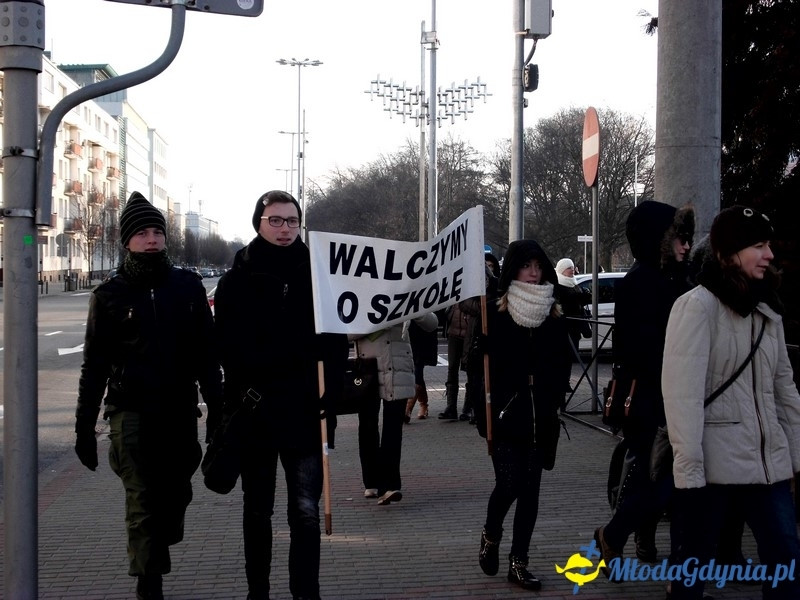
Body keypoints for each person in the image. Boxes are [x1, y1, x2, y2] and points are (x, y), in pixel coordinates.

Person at [74, 191, 223, 600]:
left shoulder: (187, 287)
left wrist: (218, 411)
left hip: (178, 409)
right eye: (143, 233)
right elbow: (94, 366)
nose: (152, 239)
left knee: (176, 492)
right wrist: (84, 426)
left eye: (157, 231)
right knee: (141, 497)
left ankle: (158, 543)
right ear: (127, 241)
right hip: (130, 412)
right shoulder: (109, 295)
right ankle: (148, 580)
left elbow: (207, 356)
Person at [213, 190, 348, 600]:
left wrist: (333, 393)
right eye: (276, 220)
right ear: (259, 222)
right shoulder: (237, 278)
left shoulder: (320, 274)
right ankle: (259, 592)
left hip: (306, 412)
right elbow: (227, 347)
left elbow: (336, 343)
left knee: (305, 512)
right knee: (258, 512)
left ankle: (306, 593)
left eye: (292, 221)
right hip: (255, 412)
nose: (285, 228)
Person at [662, 205, 800, 600]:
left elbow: (784, 388)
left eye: (768, 244)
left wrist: (795, 454)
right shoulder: (697, 307)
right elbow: (682, 395)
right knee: (692, 574)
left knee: (787, 565)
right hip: (712, 470)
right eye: (759, 245)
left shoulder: (767, 307)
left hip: (767, 464)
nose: (769, 254)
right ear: (728, 253)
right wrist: (688, 474)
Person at [594, 201, 695, 574]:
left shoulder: (682, 279)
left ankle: (627, 539)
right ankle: (618, 535)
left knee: (669, 483)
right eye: (679, 238)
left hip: (676, 397)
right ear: (659, 240)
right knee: (660, 483)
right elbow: (638, 347)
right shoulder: (639, 282)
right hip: (652, 399)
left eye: (688, 238)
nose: (686, 246)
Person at [474, 240, 571, 591]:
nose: (533, 273)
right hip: (506, 413)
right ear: (513, 269)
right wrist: (481, 412)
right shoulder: (495, 313)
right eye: (526, 266)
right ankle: (491, 531)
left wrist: (557, 395)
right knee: (510, 483)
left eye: (538, 266)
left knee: (531, 492)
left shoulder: (553, 313)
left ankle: (519, 562)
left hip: (541, 414)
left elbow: (562, 362)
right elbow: (478, 370)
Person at [355, 313, 439, 503]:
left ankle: (390, 484)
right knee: (368, 425)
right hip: (368, 369)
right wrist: (376, 323)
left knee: (393, 427)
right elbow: (346, 333)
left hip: (398, 367)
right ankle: (371, 481)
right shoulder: (360, 293)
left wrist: (416, 309)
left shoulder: (403, 290)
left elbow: (432, 323)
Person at [404, 316, 439, 421]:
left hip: (423, 336)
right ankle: (424, 404)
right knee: (416, 374)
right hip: (408, 335)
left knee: (417, 373)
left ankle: (408, 409)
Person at [555, 258, 592, 355]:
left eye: (572, 267)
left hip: (576, 326)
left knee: (573, 354)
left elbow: (579, 302)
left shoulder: (574, 282)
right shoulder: (557, 284)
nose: (572, 270)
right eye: (568, 268)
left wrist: (585, 296)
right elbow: (561, 303)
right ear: (562, 270)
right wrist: (577, 298)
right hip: (565, 328)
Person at [440, 302, 470, 420]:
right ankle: (451, 407)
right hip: (453, 332)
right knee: (452, 369)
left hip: (469, 333)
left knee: (470, 370)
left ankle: (468, 407)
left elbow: (476, 308)